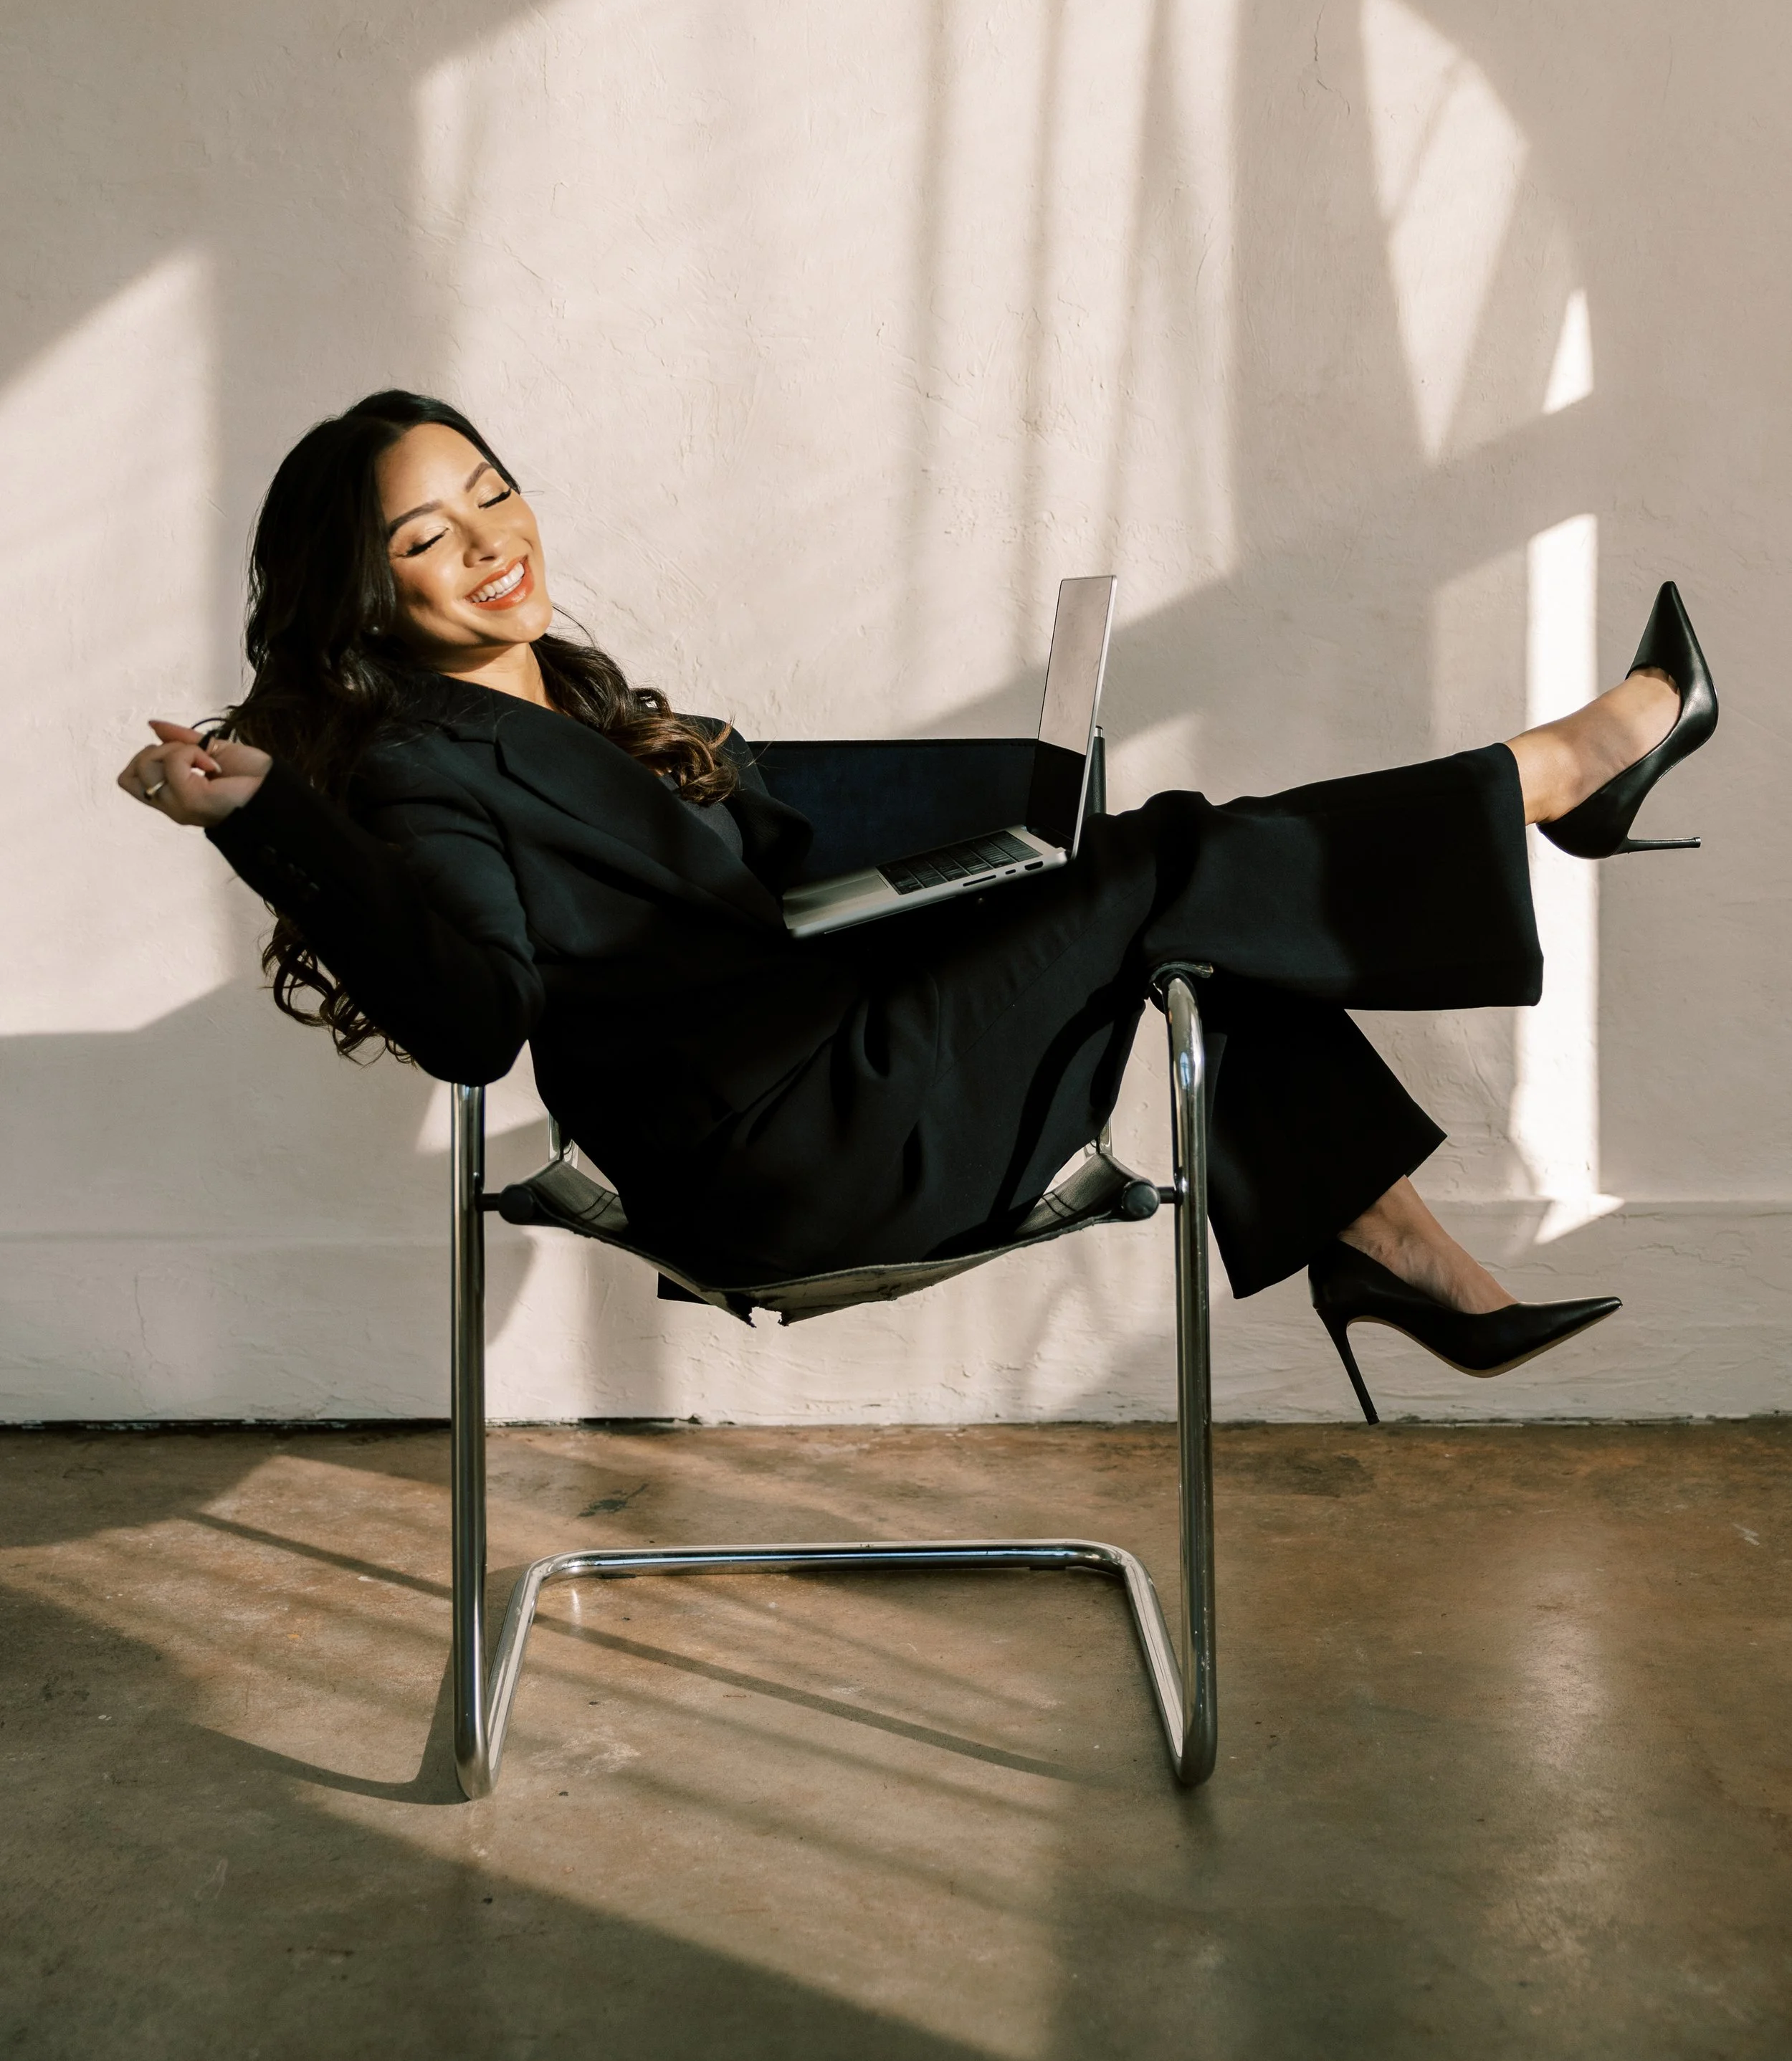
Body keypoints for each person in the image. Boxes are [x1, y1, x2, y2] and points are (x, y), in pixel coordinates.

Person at [118, 391, 1719, 1416]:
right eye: (427, 536)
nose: (488, 544)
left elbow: (753, 892)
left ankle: (1384, 1239)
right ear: (368, 592)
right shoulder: (417, 769)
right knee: (1167, 865)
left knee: (1163, 882)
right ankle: (1551, 779)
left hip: (829, 1060)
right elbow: (472, 1029)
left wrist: (963, 867)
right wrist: (265, 825)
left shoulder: (574, 703)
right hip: (780, 1153)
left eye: (491, 492)